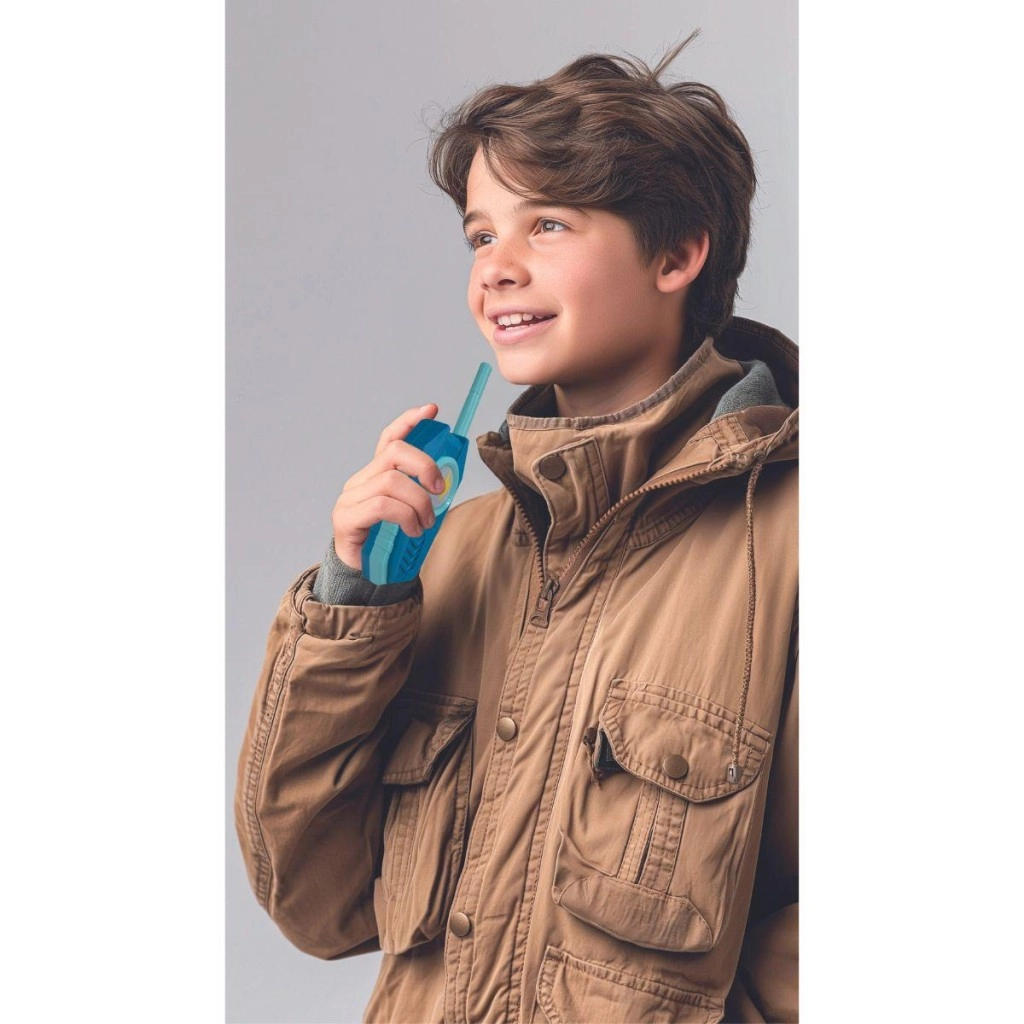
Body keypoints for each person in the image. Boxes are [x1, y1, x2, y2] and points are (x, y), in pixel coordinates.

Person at [235, 31, 798, 1024]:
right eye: (479, 235)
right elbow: (318, 902)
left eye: (547, 224)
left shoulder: (798, 542)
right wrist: (351, 606)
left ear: (677, 253)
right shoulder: (451, 551)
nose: (495, 268)